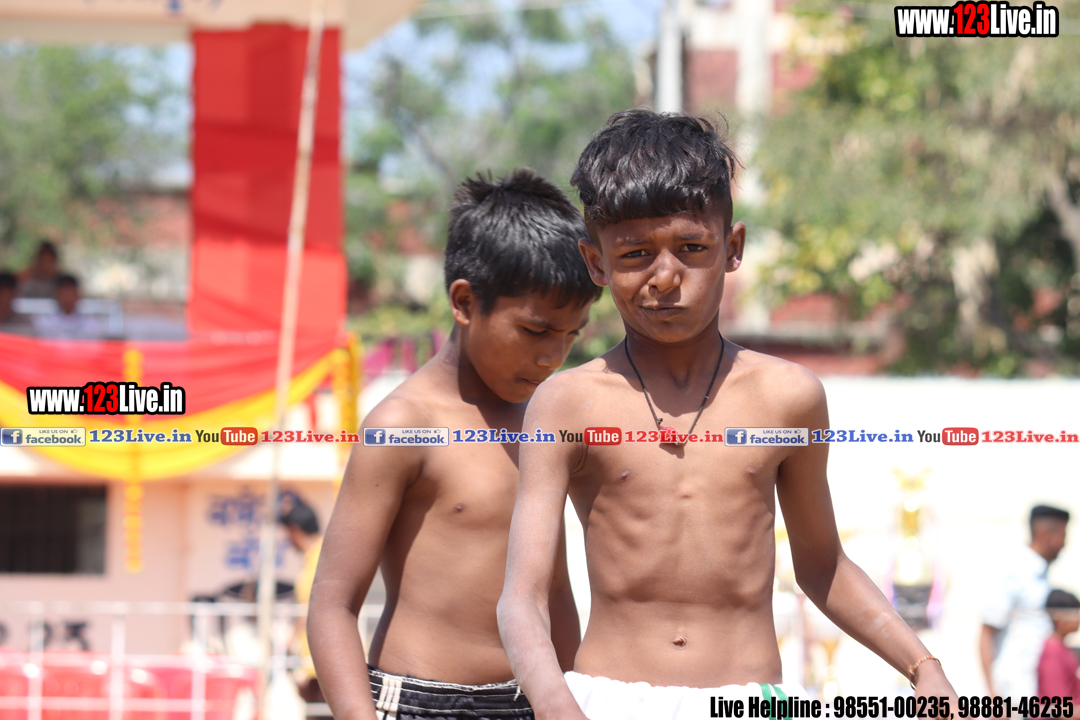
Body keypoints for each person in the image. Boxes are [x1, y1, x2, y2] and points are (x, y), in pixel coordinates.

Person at [497, 109, 959, 720]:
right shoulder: (567, 402)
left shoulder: (788, 398)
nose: (666, 277)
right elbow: (522, 597)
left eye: (692, 248)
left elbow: (823, 565)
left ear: (732, 248)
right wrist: (557, 704)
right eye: (635, 254)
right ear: (596, 263)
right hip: (606, 701)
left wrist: (924, 667)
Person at [308, 169, 600, 720]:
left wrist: (572, 698)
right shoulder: (403, 423)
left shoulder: (543, 424)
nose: (553, 355)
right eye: (537, 330)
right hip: (420, 702)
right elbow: (333, 605)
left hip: (531, 703)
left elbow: (554, 591)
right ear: (464, 302)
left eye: (571, 334)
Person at [981, 504, 1070, 699]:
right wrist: (992, 694)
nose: (1064, 544)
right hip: (1011, 693)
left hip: (1032, 692)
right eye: (1063, 536)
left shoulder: (1040, 573)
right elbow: (987, 632)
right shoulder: (1013, 570)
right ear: (1045, 535)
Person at [279, 496, 325, 708]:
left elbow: (310, 609)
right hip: (318, 661)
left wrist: (289, 642)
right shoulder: (321, 555)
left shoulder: (319, 559)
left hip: (319, 662)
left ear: (294, 530)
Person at [1037, 589, 1080, 702]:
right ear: (1060, 617)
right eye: (1075, 613)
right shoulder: (1052, 651)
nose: (1078, 618)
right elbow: (1057, 702)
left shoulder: (1061, 648)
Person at [32, 274, 107, 339]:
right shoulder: (43, 323)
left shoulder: (91, 324)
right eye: (64, 291)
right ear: (56, 294)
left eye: (71, 291)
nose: (67, 296)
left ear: (78, 294)